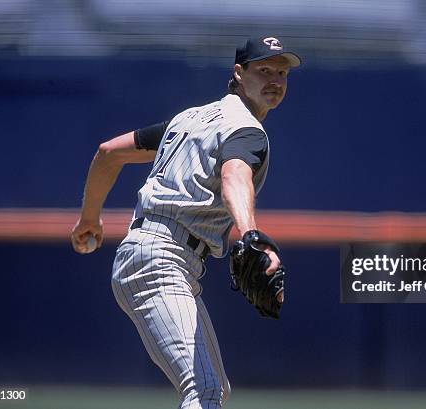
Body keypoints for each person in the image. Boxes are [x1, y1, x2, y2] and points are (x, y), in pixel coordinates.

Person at [70, 36, 301, 408]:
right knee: (205, 392)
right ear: (239, 74)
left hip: (158, 256)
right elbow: (234, 177)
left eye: (282, 72)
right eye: (264, 70)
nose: (275, 79)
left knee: (215, 391)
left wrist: (89, 220)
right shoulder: (247, 131)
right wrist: (251, 234)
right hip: (160, 260)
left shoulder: (187, 120)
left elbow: (109, 153)